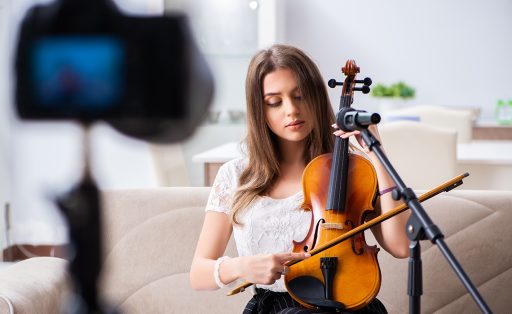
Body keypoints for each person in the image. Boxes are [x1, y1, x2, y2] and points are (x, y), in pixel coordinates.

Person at [190, 44, 410, 314]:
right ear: (260, 110)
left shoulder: (353, 170)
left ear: (317, 98)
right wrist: (241, 266)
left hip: (347, 306)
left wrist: (377, 152)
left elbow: (401, 246)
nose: (291, 110)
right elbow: (198, 273)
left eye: (300, 96)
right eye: (274, 102)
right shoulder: (235, 176)